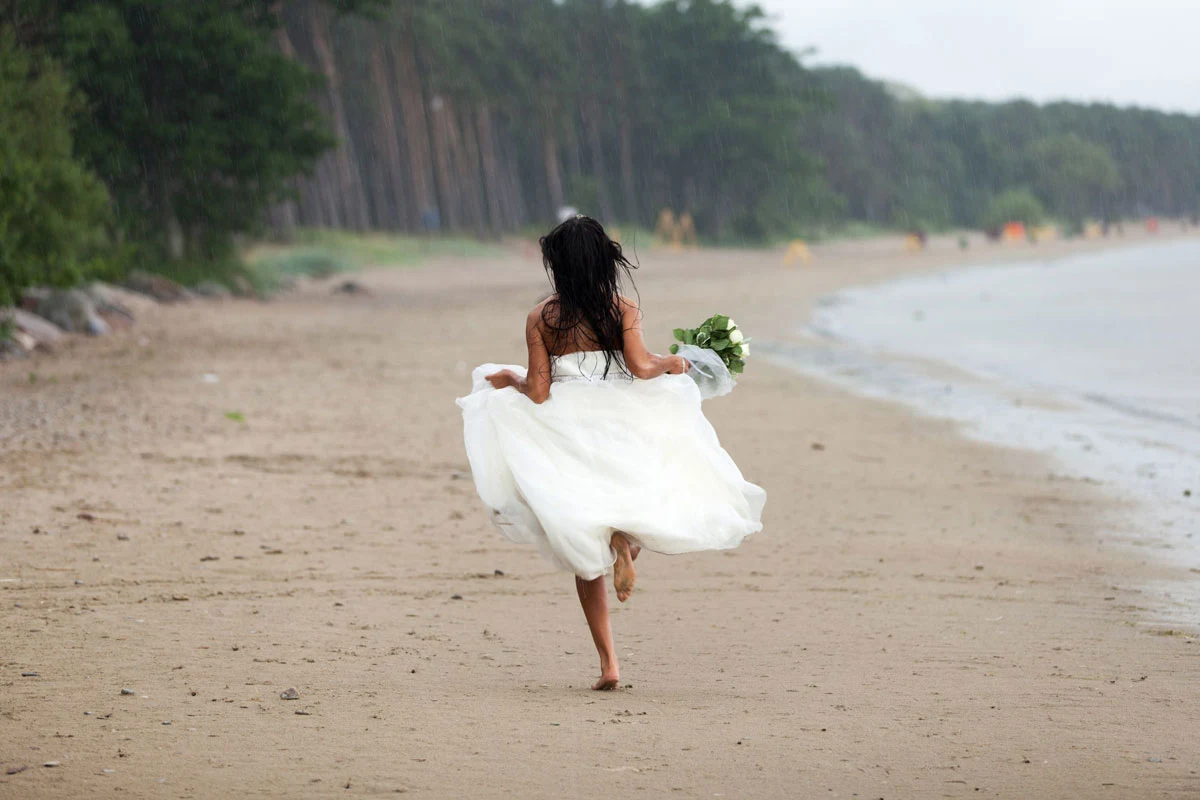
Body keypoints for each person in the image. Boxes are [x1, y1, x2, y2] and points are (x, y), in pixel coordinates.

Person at [456, 215, 765, 690]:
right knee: (647, 490)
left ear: (558, 266)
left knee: (583, 537)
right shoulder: (621, 308)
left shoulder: (542, 317)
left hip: (565, 423)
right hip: (621, 416)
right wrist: (675, 361)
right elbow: (641, 368)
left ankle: (609, 665)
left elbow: (538, 392)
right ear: (604, 261)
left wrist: (509, 378)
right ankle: (627, 544)